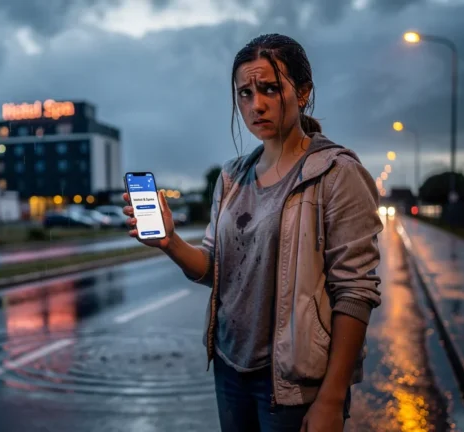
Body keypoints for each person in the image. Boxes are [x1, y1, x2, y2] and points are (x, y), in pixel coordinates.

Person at [122, 33, 383, 432]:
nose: (255, 104)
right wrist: (170, 242)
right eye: (244, 93)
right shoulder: (231, 176)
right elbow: (215, 270)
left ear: (304, 92)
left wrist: (332, 396)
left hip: (294, 382)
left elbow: (355, 293)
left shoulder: (335, 173)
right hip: (229, 370)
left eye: (270, 89)